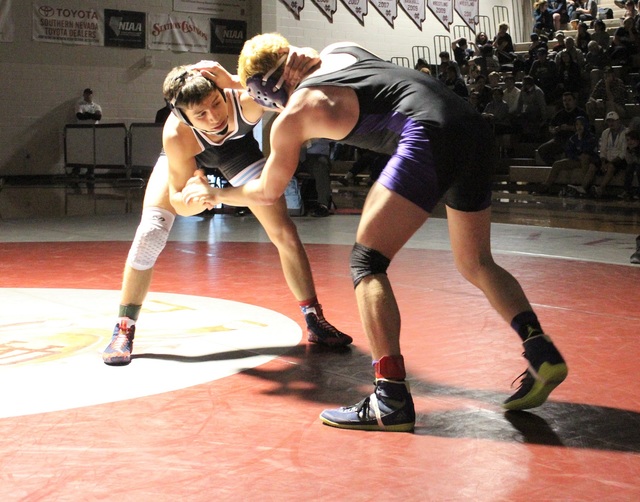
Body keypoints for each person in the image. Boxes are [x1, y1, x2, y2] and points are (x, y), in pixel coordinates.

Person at [182, 33, 569, 432]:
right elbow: (308, 61)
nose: (265, 107)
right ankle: (540, 348)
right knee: (475, 260)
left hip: (428, 134)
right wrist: (238, 79)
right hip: (473, 128)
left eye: (262, 98)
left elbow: (267, 191)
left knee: (367, 261)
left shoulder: (295, 114)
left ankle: (390, 397)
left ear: (268, 91)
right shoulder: (339, 51)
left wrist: (215, 191)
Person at [102, 56, 352, 365]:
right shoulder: (176, 133)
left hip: (238, 153)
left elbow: (295, 95)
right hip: (191, 154)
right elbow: (180, 202)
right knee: (150, 232)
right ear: (183, 115)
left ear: (222, 93)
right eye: (200, 113)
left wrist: (236, 80)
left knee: (285, 233)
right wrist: (198, 201)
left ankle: (314, 319)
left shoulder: (245, 100)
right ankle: (124, 327)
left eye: (215, 104)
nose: (213, 118)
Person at [538, 116, 599, 194]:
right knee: (557, 164)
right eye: (577, 125)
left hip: (589, 160)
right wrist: (576, 156)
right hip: (577, 160)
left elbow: (588, 151)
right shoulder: (573, 138)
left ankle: (584, 187)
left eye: (581, 124)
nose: (579, 127)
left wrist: (579, 151)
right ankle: (546, 185)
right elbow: (569, 152)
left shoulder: (591, 137)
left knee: (585, 157)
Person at [577, 111, 628, 198]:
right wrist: (603, 162)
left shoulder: (626, 132)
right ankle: (583, 187)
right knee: (593, 165)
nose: (611, 123)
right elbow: (603, 149)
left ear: (618, 121)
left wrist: (610, 163)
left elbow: (623, 153)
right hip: (607, 158)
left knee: (611, 167)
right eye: (609, 121)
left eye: (613, 121)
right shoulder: (605, 132)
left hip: (620, 159)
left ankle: (600, 188)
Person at [537, 92, 586, 165]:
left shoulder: (581, 113)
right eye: (564, 100)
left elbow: (585, 128)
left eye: (569, 100)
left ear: (574, 101)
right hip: (559, 139)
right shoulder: (559, 114)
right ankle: (553, 165)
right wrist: (554, 129)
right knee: (542, 150)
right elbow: (551, 126)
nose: (567, 102)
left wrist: (569, 128)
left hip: (575, 139)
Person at [297, 138, 335, 216]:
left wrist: (313, 139)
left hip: (316, 156)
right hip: (294, 154)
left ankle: (323, 205)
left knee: (320, 167)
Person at [619, 128, 640, 200]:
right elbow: (629, 161)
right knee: (629, 168)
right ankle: (627, 190)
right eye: (627, 140)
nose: (629, 142)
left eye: (632, 140)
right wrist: (630, 152)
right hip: (635, 164)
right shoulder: (629, 149)